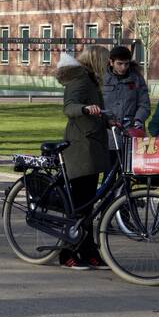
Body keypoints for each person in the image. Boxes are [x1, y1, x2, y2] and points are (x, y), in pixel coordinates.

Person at [56, 48, 110, 270]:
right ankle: (66, 252)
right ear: (97, 62)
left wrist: (109, 120)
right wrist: (85, 108)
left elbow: (97, 112)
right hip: (80, 150)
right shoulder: (79, 80)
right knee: (79, 204)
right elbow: (69, 107)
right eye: (106, 63)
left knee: (88, 205)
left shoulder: (90, 80)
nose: (108, 67)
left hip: (92, 148)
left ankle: (88, 250)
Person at [102, 45, 150, 130]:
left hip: (132, 130)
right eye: (119, 64)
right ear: (111, 62)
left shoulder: (137, 79)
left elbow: (144, 104)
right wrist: (105, 120)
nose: (123, 67)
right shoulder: (102, 79)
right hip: (108, 131)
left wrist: (138, 120)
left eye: (126, 64)